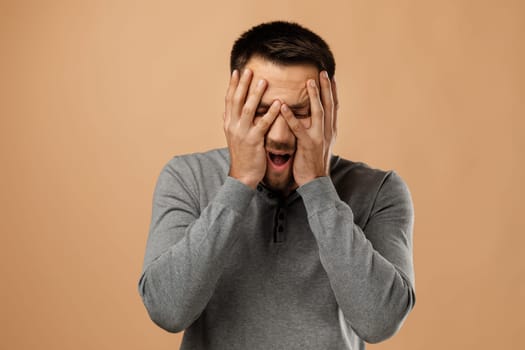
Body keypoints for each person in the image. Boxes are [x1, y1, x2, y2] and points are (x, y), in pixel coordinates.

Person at [138, 21, 415, 350]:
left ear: (330, 111)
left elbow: (379, 322)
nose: (281, 136)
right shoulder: (187, 177)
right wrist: (239, 183)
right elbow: (167, 311)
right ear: (233, 107)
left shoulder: (379, 190)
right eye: (261, 112)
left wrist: (317, 185)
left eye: (301, 112)